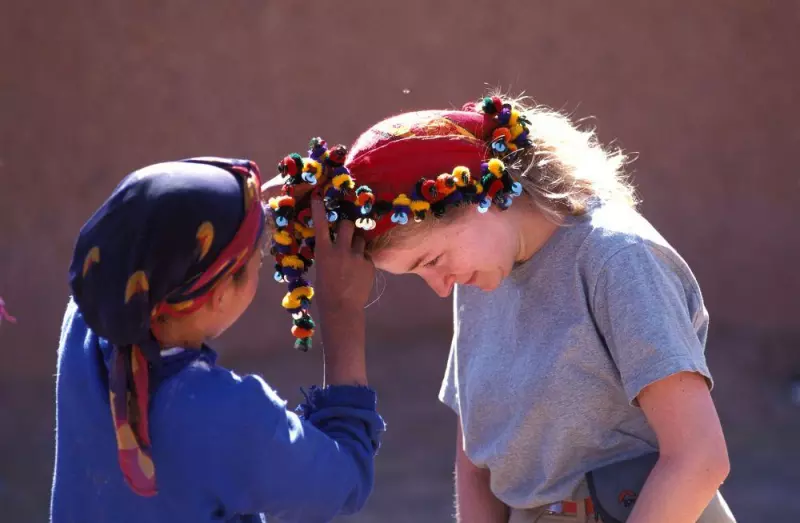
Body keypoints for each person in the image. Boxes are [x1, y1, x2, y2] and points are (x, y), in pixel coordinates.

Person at [262, 94, 735, 522]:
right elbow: (478, 451)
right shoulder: (482, 273)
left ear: (481, 197)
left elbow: (698, 458)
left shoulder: (617, 259)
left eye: (433, 260)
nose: (441, 288)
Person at [51, 157, 385, 523]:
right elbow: (346, 476)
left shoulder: (89, 322)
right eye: (259, 256)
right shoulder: (227, 417)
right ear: (218, 295)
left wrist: (249, 209)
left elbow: (154, 226)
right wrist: (342, 310)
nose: (264, 254)